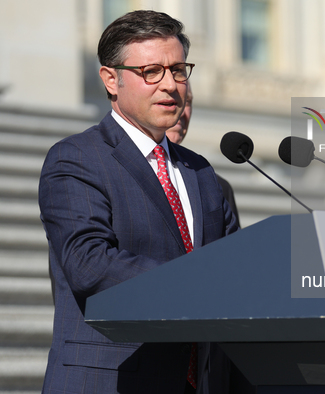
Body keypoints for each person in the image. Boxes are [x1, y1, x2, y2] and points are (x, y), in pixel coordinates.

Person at [39, 10, 238, 394]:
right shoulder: (77, 158)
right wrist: (197, 285)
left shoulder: (202, 173)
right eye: (152, 72)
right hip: (110, 380)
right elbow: (89, 265)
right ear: (111, 79)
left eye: (179, 70)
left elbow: (232, 268)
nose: (170, 85)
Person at [166, 84, 240, 227]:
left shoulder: (218, 187)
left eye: (187, 102)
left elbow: (235, 248)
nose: (181, 112)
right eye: (172, 100)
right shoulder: (117, 174)